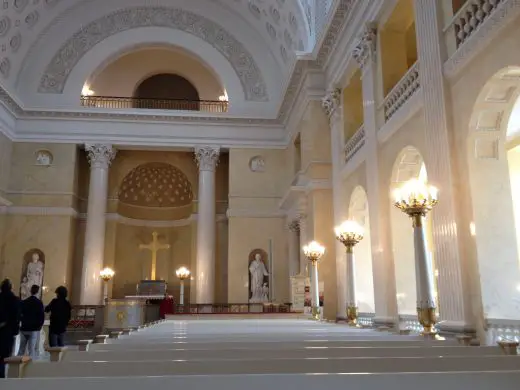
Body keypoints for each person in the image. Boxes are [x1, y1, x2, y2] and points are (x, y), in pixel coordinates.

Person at [0, 279, 20, 379]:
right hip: (8, 332)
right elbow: (16, 317)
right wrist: (15, 331)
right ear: (11, 288)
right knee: (4, 357)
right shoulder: (15, 300)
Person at [18, 285, 44, 357]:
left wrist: (22, 321)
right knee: (31, 350)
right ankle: (30, 366)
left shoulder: (24, 302)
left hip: (24, 327)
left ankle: (18, 366)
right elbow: (41, 316)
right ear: (38, 292)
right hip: (34, 329)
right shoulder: (39, 303)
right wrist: (39, 326)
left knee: (21, 349)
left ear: (30, 291)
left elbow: (19, 313)